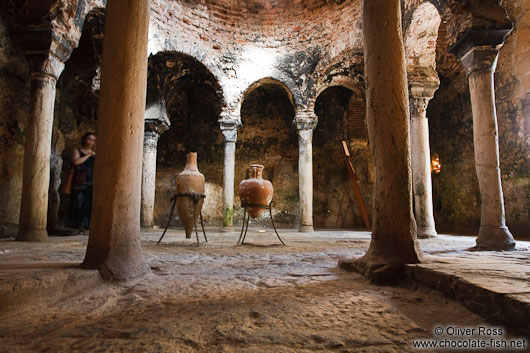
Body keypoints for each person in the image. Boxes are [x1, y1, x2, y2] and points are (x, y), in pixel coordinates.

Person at [69, 132, 96, 235]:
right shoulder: (78, 151)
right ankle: (78, 227)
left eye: (93, 140)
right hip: (80, 181)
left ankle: (85, 227)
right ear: (85, 139)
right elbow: (76, 162)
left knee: (88, 205)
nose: (91, 142)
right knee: (78, 203)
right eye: (89, 139)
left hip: (91, 182)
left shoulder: (94, 154)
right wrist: (88, 155)